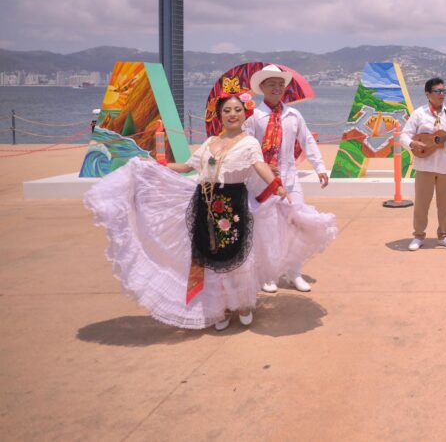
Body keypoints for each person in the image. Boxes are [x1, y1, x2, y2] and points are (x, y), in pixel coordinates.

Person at [85, 94, 290, 330]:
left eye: (237, 110)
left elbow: (260, 165)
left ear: (245, 114)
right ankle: (220, 307)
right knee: (209, 258)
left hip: (232, 205)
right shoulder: (210, 142)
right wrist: (155, 166)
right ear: (219, 115)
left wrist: (277, 185)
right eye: (227, 110)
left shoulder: (249, 142)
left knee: (234, 257)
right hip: (203, 203)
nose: (232, 114)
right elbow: (185, 167)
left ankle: (242, 304)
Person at [244, 64, 331, 293]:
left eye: (280, 84)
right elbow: (246, 148)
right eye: (271, 84)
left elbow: (307, 141)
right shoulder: (253, 116)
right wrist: (261, 168)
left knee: (297, 225)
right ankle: (268, 274)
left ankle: (294, 273)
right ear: (261, 87)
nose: (277, 88)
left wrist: (320, 167)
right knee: (267, 228)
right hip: (261, 183)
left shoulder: (293, 115)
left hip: (290, 180)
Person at [400, 77, 446, 251]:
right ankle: (418, 236)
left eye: (444, 91)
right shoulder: (419, 113)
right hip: (424, 166)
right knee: (421, 204)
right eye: (438, 91)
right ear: (428, 94)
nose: (442, 94)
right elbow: (404, 135)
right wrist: (413, 144)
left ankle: (444, 236)